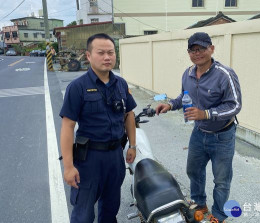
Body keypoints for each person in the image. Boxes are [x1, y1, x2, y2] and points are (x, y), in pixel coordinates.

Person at [155, 32, 242, 223]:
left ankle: (219, 216)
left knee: (221, 180)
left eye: (202, 48)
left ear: (211, 49)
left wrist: (206, 114)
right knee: (193, 170)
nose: (197, 53)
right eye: (193, 50)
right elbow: (184, 97)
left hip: (223, 135)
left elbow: (235, 105)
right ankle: (199, 204)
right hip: (199, 133)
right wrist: (170, 104)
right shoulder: (188, 74)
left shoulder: (225, 74)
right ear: (189, 53)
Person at [59, 33, 137, 223]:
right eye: (101, 53)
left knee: (110, 209)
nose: (107, 57)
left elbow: (129, 115)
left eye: (110, 52)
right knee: (84, 214)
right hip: (89, 160)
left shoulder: (121, 84)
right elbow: (68, 126)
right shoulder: (77, 87)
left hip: (115, 157)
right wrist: (68, 167)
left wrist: (132, 146)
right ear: (88, 56)